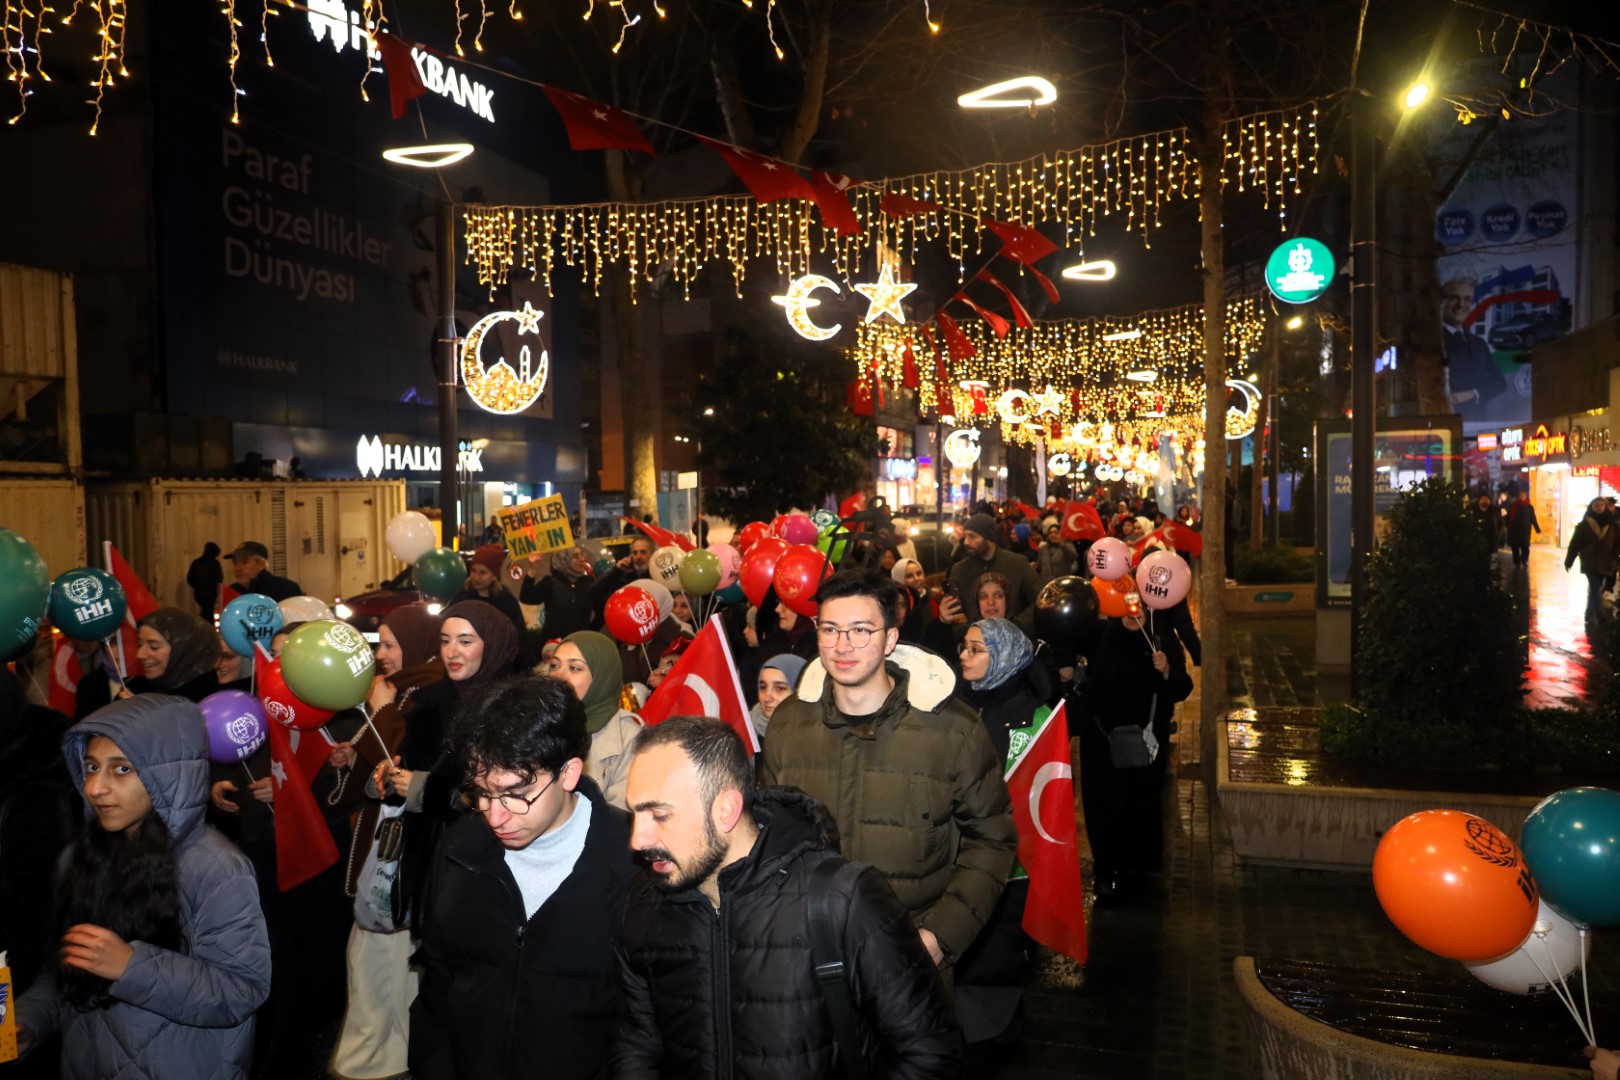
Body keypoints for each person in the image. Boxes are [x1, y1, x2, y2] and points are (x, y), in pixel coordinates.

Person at [613, 716, 963, 1079]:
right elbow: (636, 1043)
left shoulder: (843, 898)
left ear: (726, 810)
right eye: (634, 814)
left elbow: (929, 1054)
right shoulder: (641, 903)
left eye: (659, 815)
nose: (638, 840)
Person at [761, 571, 1017, 977]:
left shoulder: (953, 729)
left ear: (890, 639)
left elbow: (991, 838)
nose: (843, 646)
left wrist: (940, 937)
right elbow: (770, 835)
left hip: (908, 952)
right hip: (807, 951)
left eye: (861, 630)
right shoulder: (789, 723)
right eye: (830, 629)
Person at [15, 695, 272, 1076]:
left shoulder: (215, 867)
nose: (95, 787)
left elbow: (240, 990)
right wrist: (29, 1019)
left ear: (166, 775)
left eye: (121, 769)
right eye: (91, 766)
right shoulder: (81, 856)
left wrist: (131, 967)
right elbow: (68, 965)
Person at [411, 676, 637, 1080]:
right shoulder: (460, 849)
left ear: (568, 773)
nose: (495, 816)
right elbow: (438, 982)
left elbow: (645, 1021)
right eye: (482, 793)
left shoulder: (632, 863)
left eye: (516, 794)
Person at [329, 604, 444, 1080]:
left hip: (405, 857)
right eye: (381, 644)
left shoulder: (427, 695)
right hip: (386, 850)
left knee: (390, 968)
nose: (382, 655)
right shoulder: (404, 692)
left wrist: (382, 711)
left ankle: (385, 1059)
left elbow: (404, 759)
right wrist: (352, 755)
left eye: (392, 645)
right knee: (376, 967)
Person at [376, 600, 520, 935]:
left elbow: (511, 796)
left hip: (487, 864)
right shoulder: (427, 704)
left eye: (465, 641)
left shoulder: (512, 710)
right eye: (444, 641)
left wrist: (427, 790)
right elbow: (408, 780)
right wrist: (389, 777)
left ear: (492, 644)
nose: (451, 651)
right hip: (431, 865)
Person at [952, 617, 1052, 1042]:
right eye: (964, 646)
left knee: (999, 943)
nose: (964, 655)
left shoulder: (1035, 717)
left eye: (976, 649)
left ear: (1005, 657)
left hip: (1011, 862)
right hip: (959, 851)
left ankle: (996, 1024)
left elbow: (1041, 796)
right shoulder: (956, 705)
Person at [1077, 593, 1193, 904]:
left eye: (1138, 604)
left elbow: (1183, 687)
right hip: (1102, 743)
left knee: (1141, 804)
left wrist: (1166, 671)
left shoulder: (1161, 638)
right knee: (1105, 806)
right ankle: (1106, 870)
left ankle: (1138, 870)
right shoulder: (1098, 635)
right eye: (1126, 603)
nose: (1132, 610)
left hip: (1145, 744)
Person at [549, 630, 644, 809]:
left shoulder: (630, 739)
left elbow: (621, 818)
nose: (558, 676)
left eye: (575, 668)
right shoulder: (536, 723)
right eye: (554, 665)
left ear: (602, 678)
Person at [76, 607, 221, 717]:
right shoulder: (134, 688)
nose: (140, 654)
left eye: (154, 646)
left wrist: (144, 716)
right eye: (139, 644)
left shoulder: (211, 700)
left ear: (183, 650)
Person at [943, 513, 1039, 627]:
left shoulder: (1017, 563)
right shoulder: (959, 570)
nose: (966, 542)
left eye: (972, 536)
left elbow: (1039, 599)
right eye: (965, 536)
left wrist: (1017, 625)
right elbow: (956, 614)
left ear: (988, 538)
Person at [1440, 276, 1509, 420]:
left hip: (1480, 423)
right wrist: (1483, 382)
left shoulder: (1479, 344)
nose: (1461, 304)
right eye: (1454, 298)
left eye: (1467, 299)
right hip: (1446, 424)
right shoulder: (1433, 342)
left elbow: (1500, 383)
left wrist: (1473, 393)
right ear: (1442, 302)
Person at [453, 543, 529, 648]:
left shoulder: (506, 601)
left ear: (494, 576)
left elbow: (520, 639)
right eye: (473, 570)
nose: (476, 577)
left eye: (483, 572)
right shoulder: (462, 597)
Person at [520, 544, 596, 640]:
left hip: (580, 644)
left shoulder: (588, 583)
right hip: (554, 645)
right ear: (563, 561)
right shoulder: (551, 582)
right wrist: (533, 568)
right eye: (575, 556)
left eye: (582, 554)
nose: (582, 559)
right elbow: (526, 597)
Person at [1564, 498, 1618, 619]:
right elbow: (1575, 544)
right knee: (1594, 587)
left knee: (1597, 587)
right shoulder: (1584, 525)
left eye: (1601, 505)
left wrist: (1615, 556)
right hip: (1589, 560)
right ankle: (1599, 615)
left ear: (1605, 507)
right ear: (1591, 507)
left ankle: (1589, 612)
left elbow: (1617, 543)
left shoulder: (1612, 525)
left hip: (1606, 561)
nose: (1599, 507)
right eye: (1596, 505)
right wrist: (1569, 561)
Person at [590, 536, 655, 623]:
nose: (638, 556)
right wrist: (616, 571)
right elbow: (594, 593)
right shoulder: (623, 573)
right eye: (635, 553)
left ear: (652, 554)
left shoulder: (656, 576)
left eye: (643, 552)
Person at [749, 653, 806, 741]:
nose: (767, 698)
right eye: (763, 687)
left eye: (780, 688)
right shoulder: (746, 730)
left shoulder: (819, 735)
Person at [225, 540, 302, 601]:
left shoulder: (285, 589)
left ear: (261, 564)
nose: (237, 568)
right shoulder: (231, 592)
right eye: (235, 562)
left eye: (245, 562)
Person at [187, 541, 224, 616]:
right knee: (211, 613)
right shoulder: (215, 563)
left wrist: (198, 585)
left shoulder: (196, 562)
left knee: (204, 611)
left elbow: (190, 579)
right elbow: (219, 579)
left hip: (199, 594)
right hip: (212, 594)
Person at [1507, 485, 1541, 567]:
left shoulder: (1529, 507)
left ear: (1526, 496)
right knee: (1515, 547)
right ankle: (1517, 562)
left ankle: (1524, 560)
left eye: (1523, 495)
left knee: (1525, 547)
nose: (1521, 497)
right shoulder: (1514, 506)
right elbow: (1509, 517)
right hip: (1515, 531)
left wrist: (1537, 528)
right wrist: (1507, 526)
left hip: (1525, 531)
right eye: (1520, 495)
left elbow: (1533, 518)